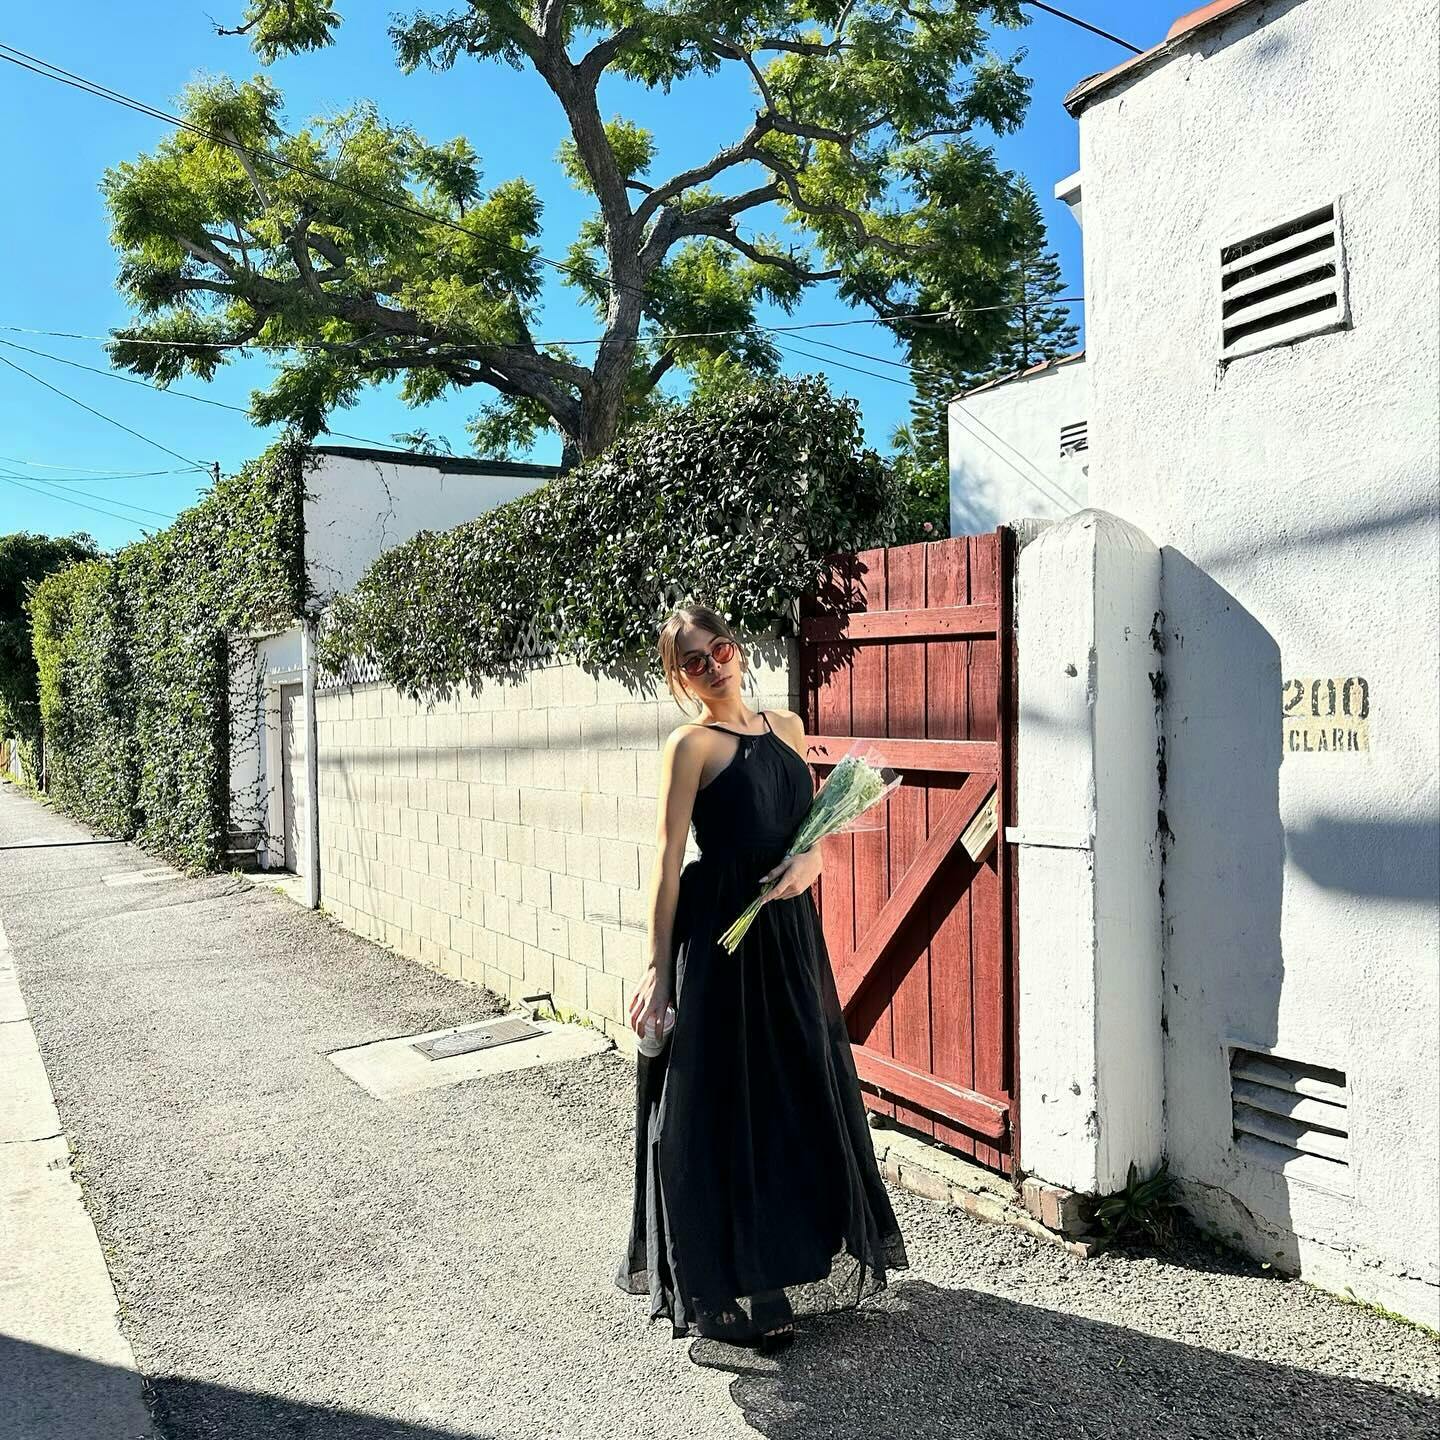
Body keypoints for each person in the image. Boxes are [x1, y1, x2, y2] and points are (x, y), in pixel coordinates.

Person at [614, 605, 909, 1353]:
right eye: (692, 661)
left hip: (786, 938)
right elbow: (667, 861)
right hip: (721, 938)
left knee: (791, 1093)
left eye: (718, 649)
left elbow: (808, 833)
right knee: (716, 1106)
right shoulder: (690, 745)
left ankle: (783, 1261)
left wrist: (811, 861)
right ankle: (720, 1286)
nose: (712, 666)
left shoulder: (789, 728)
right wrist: (658, 971)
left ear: (736, 649)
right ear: (679, 679)